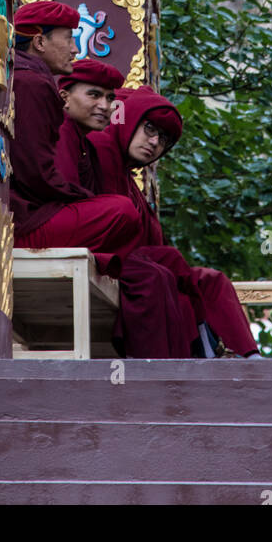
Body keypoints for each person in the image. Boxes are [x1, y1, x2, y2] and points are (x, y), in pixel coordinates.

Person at [89, 85, 262, 359]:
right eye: (149, 128)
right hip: (116, 265)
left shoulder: (132, 185)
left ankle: (250, 358)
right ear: (128, 119)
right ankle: (198, 360)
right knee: (170, 282)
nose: (155, 143)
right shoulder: (100, 148)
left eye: (165, 139)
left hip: (145, 265)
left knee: (212, 281)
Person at [56, 60, 199, 358]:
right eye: (94, 95)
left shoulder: (105, 156)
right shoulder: (90, 140)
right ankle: (155, 373)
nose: (105, 106)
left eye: (110, 98)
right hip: (33, 226)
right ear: (64, 96)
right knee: (129, 229)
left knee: (169, 272)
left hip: (80, 232)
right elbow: (55, 192)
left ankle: (190, 366)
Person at [10, 5, 143, 257]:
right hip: (24, 223)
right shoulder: (32, 83)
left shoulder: (26, 79)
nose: (75, 49)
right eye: (69, 38)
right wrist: (84, 199)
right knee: (121, 211)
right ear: (39, 41)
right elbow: (36, 174)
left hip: (24, 215)